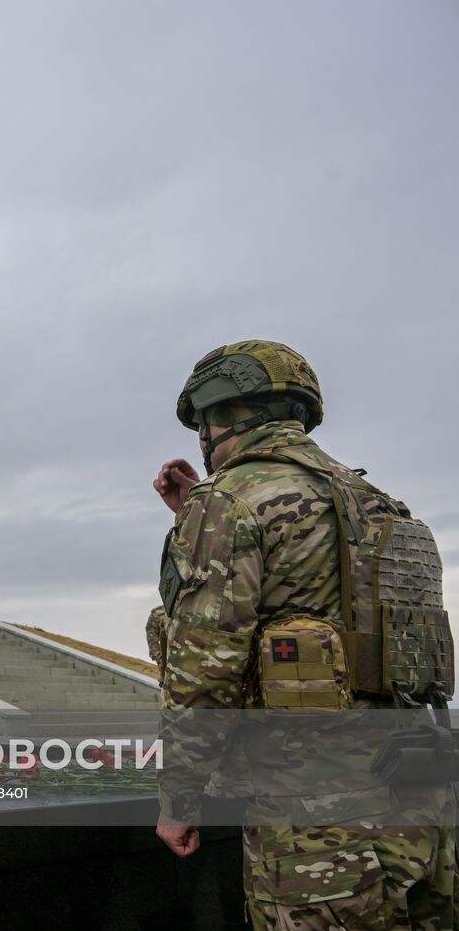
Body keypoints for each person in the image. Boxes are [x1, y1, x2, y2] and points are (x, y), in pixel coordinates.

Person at [152, 340, 455, 929]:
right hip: (424, 805)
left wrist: (178, 802)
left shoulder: (227, 504)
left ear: (219, 416)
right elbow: (335, 603)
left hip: (317, 822)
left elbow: (203, 672)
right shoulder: (381, 504)